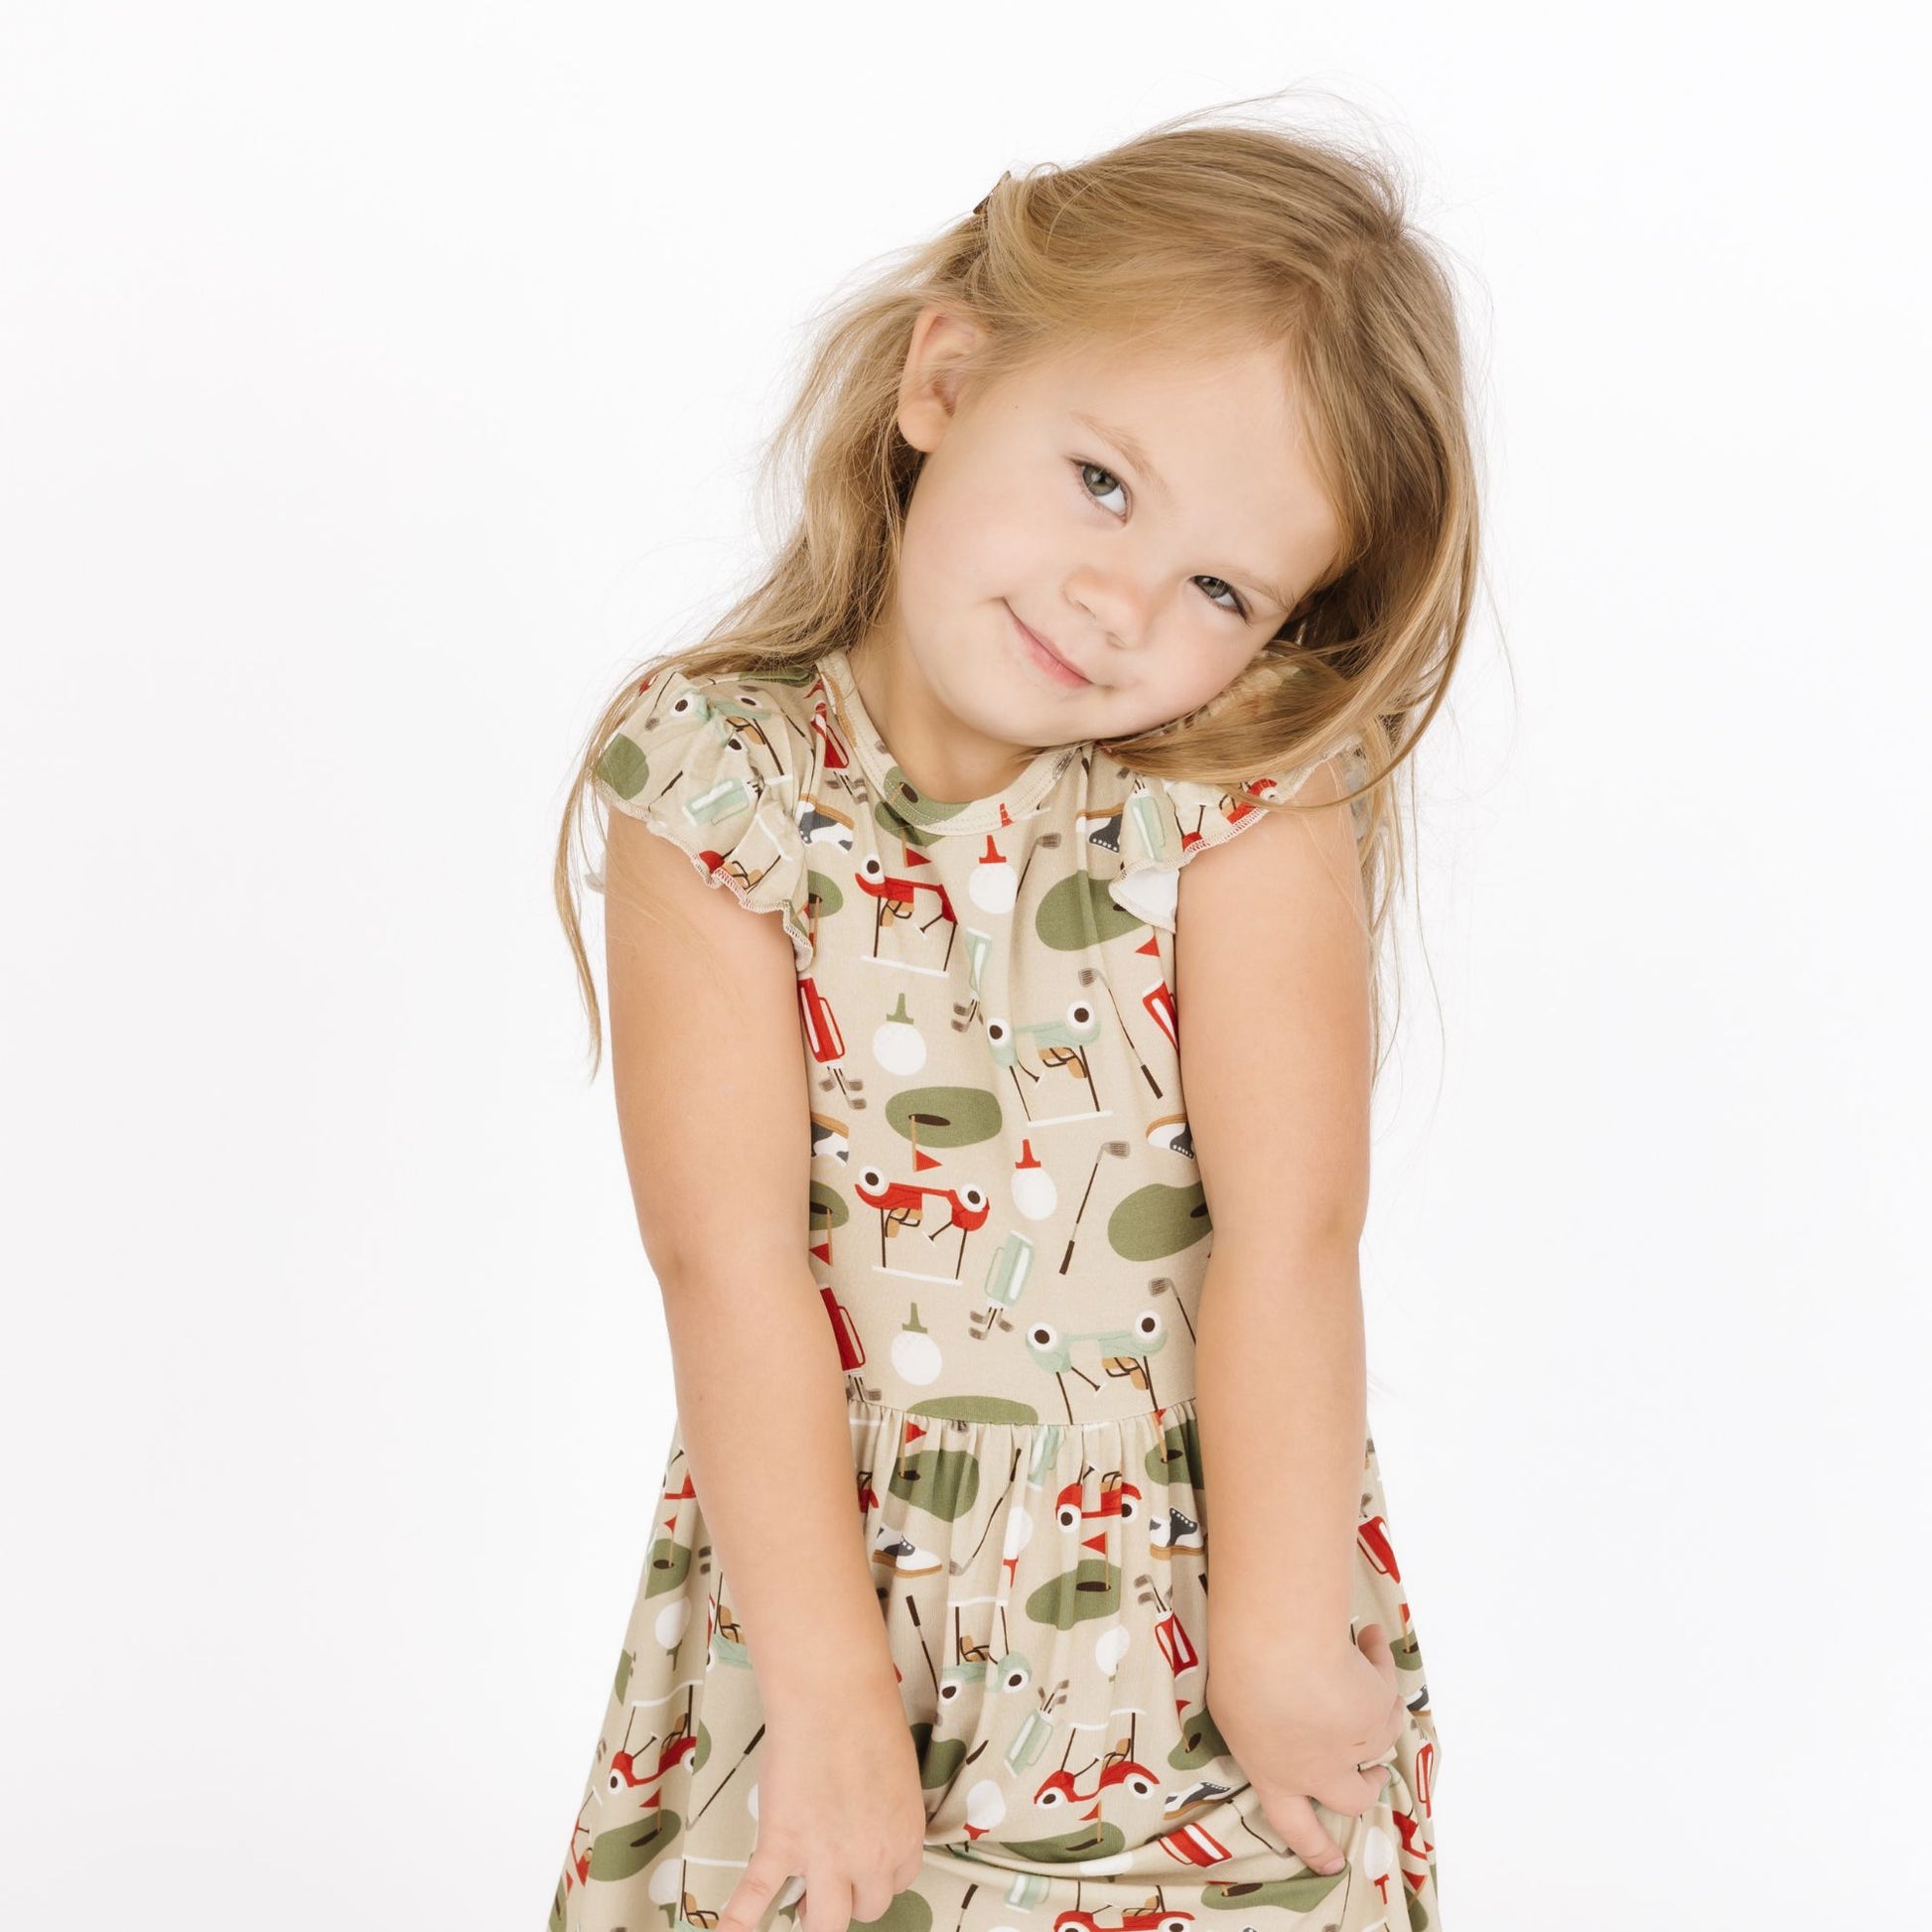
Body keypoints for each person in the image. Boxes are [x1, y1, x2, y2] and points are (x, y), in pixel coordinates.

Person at [548, 103, 1475, 1932]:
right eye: (1103, 481)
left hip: (1187, 1592)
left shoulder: (1238, 793)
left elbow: (1294, 1237)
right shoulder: (719, 777)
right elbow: (720, 1259)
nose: (1116, 601)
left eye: (1222, 585)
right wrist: (819, 1696)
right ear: (945, 376)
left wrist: (1282, 1629)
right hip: (827, 1587)